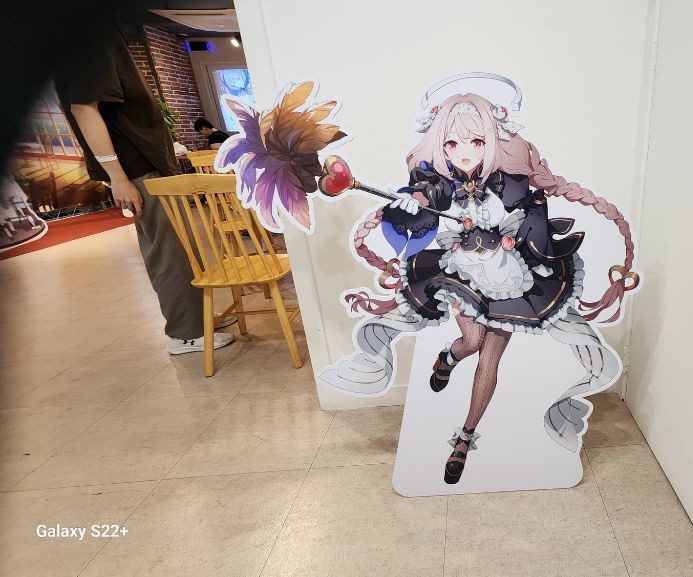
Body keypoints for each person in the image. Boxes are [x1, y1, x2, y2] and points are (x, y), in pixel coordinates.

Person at [218, 78, 639, 485]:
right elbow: (424, 200)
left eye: (476, 142)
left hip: (509, 277)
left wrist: (516, 236)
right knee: (471, 342)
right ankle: (450, 358)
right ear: (440, 144)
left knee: (490, 359)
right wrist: (411, 203)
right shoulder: (436, 179)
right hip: (461, 273)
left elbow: (534, 216)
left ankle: (464, 438)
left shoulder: (511, 180)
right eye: (452, 143)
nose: (465, 152)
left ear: (492, 140)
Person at [54, 25, 235, 355]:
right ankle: (186, 332)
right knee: (167, 249)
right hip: (137, 167)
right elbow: (83, 109)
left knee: (180, 245)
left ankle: (195, 319)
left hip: (146, 164)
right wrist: (117, 177)